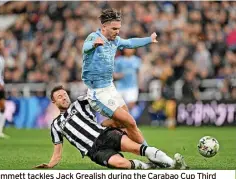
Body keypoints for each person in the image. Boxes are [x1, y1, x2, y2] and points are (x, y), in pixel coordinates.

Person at [34, 86, 188, 169]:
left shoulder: (80, 103)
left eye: (65, 94)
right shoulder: (55, 124)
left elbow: (98, 96)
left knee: (137, 148)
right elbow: (57, 152)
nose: (64, 97)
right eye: (59, 96)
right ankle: (150, 166)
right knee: (121, 164)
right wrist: (50, 165)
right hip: (94, 151)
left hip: (105, 135)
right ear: (54, 102)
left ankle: (174, 164)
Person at [81, 8, 158, 144]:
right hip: (97, 91)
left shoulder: (115, 41)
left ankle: (97, 130)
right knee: (128, 121)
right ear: (104, 27)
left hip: (110, 87)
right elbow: (85, 47)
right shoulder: (94, 37)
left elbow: (130, 43)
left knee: (125, 122)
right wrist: (94, 44)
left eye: (119, 28)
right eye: (114, 28)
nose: (117, 32)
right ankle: (149, 151)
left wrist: (149, 39)